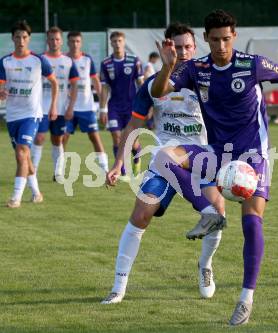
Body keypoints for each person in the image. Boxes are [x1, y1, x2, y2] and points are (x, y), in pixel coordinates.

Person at [151, 9, 278, 326]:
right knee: (164, 157)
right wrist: (168, 66)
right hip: (217, 153)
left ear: (233, 36)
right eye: (215, 40)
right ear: (206, 39)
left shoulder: (253, 65)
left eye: (226, 39)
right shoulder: (196, 69)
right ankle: (209, 213)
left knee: (252, 223)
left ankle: (245, 298)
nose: (221, 45)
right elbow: (158, 92)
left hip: (253, 157)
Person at [102, 22, 225, 305]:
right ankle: (118, 286)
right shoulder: (153, 85)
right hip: (165, 161)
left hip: (200, 158)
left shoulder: (209, 83)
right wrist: (118, 162)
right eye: (176, 47)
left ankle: (205, 266)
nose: (182, 52)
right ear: (165, 48)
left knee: (218, 209)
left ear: (196, 49)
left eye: (187, 47)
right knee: (142, 213)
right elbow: (133, 123)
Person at [0, 20, 58, 208]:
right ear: (13, 39)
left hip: (32, 114)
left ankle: (16, 198)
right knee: (23, 156)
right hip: (12, 115)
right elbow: (1, 85)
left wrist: (53, 106)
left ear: (29, 39)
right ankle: (37, 193)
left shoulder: (38, 60)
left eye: (24, 37)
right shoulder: (5, 61)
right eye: (17, 37)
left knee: (22, 152)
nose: (21, 40)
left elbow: (54, 83)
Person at [31, 26, 79, 182]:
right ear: (47, 40)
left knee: (57, 140)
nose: (54, 42)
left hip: (61, 108)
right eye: (51, 39)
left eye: (57, 39)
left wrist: (71, 107)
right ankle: (33, 171)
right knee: (39, 138)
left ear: (61, 41)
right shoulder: (40, 59)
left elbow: (74, 86)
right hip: (40, 107)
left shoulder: (68, 61)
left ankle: (58, 172)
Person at [99, 31, 144, 180]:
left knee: (132, 141)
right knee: (116, 136)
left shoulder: (134, 61)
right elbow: (105, 87)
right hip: (114, 107)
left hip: (132, 106)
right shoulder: (106, 63)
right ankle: (122, 169)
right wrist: (102, 109)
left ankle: (137, 159)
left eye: (119, 41)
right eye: (114, 41)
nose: (117, 44)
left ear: (123, 42)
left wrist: (145, 104)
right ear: (111, 43)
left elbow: (140, 83)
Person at [64, 31, 108, 172]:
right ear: (67, 43)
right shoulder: (63, 59)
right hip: (67, 107)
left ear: (81, 43)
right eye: (72, 41)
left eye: (77, 41)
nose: (75, 44)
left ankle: (105, 169)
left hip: (86, 107)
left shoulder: (87, 60)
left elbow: (96, 83)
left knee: (94, 137)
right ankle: (58, 170)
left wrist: (103, 107)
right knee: (62, 138)